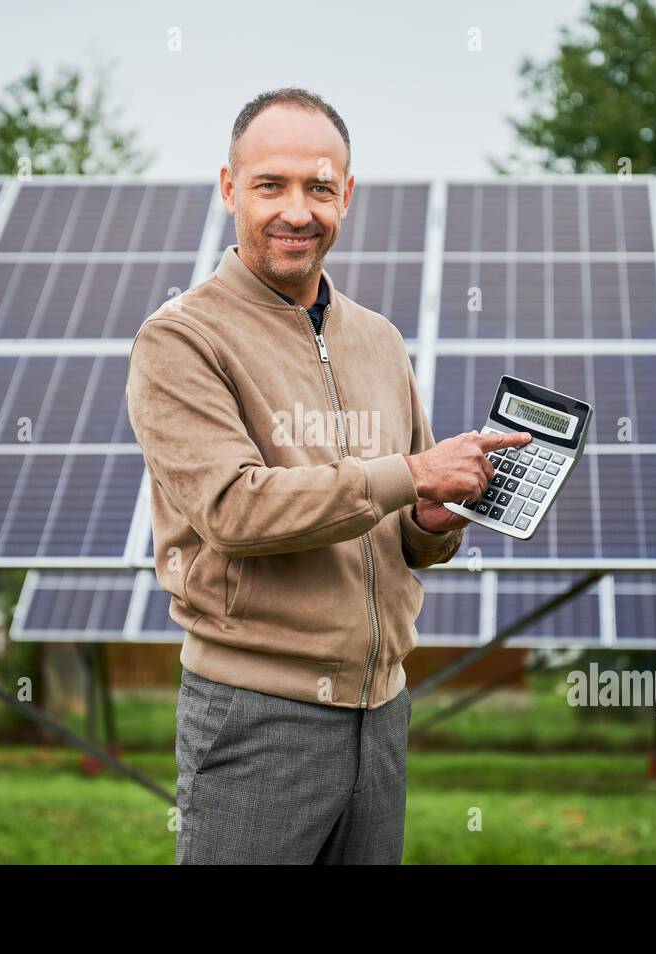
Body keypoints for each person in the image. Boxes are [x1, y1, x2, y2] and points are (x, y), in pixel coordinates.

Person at [125, 87, 531, 864]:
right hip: (256, 715)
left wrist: (434, 520)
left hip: (382, 711)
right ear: (228, 188)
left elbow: (405, 524)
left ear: (346, 194)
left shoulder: (379, 340)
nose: (296, 211)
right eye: (269, 185)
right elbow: (234, 511)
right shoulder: (181, 341)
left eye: (318, 187)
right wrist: (411, 473)